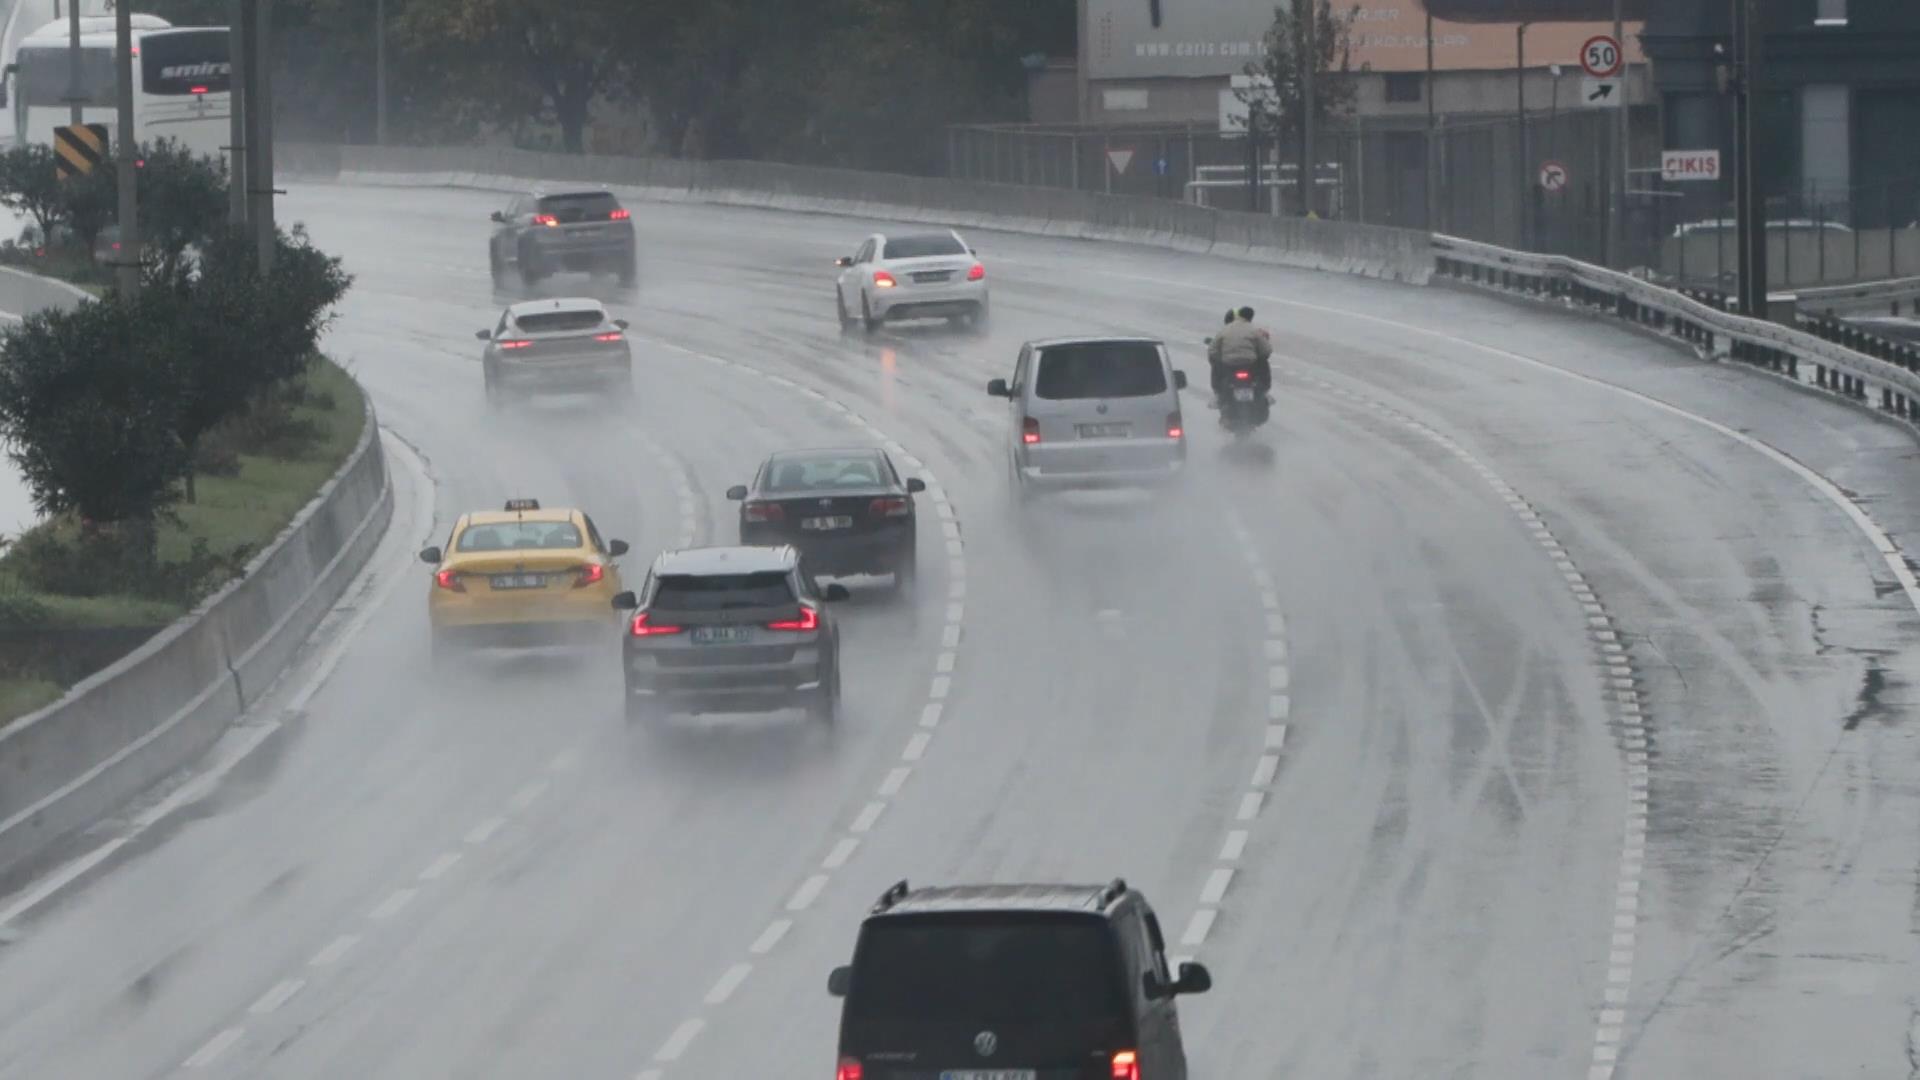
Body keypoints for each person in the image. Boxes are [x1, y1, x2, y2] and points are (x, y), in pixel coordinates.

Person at [1207, 306, 1272, 401]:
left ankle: (1217, 394)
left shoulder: (1224, 330)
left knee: (1216, 363)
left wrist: (1219, 359)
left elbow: (1212, 350)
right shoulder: (1254, 330)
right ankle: (1264, 391)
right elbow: (1266, 350)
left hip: (1229, 365)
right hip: (1250, 365)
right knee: (1264, 361)